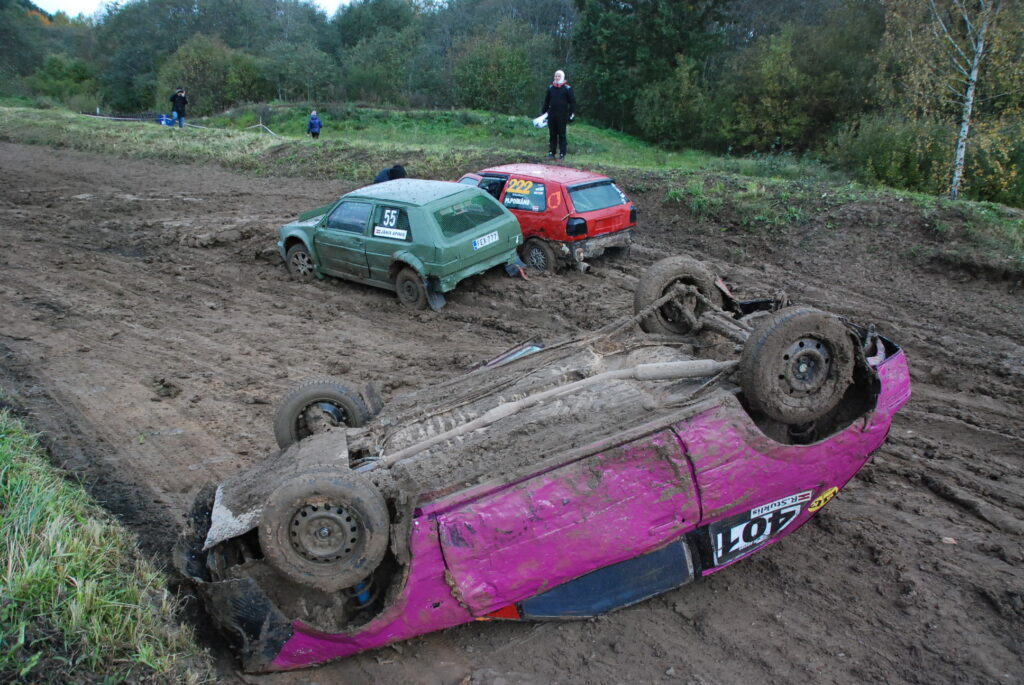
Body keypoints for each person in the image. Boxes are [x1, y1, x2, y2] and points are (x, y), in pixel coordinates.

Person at [541, 70, 575, 159]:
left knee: (562, 134)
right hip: (552, 115)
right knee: (552, 134)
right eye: (555, 76)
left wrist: (571, 114)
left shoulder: (567, 89)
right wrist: (543, 113)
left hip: (562, 115)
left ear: (562, 77)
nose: (556, 78)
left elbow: (572, 103)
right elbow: (546, 101)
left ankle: (562, 154)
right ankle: (551, 152)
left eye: (558, 76)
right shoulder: (550, 88)